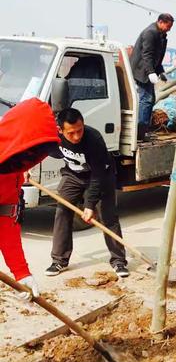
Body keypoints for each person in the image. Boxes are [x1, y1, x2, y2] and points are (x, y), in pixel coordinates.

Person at [46, 108, 128, 278]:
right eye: (71, 133)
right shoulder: (53, 137)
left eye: (79, 130)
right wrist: (25, 168)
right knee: (62, 211)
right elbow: (37, 149)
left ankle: (118, 260)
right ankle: (59, 260)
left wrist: (89, 205)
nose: (76, 137)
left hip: (101, 176)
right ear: (60, 130)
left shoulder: (93, 139)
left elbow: (98, 176)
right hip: (73, 175)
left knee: (108, 217)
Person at [0, 98, 60, 298]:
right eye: (32, 151)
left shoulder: (11, 174)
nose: (32, 159)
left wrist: (21, 273)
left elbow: (6, 222)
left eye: (39, 154)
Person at [130, 13, 174, 128]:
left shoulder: (161, 35)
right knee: (146, 99)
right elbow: (147, 55)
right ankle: (140, 130)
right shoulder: (150, 33)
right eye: (168, 26)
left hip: (148, 69)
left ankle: (145, 128)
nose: (169, 30)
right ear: (160, 22)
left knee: (150, 99)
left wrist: (160, 71)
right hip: (142, 70)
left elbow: (157, 56)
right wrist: (150, 72)